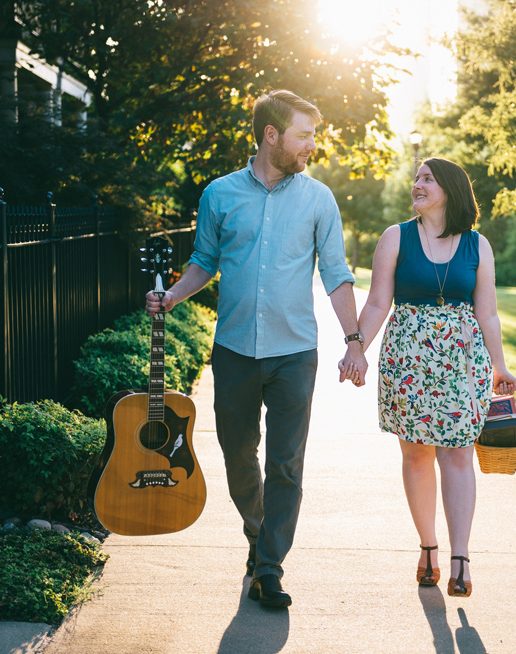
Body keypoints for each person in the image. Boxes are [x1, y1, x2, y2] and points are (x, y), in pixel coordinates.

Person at [146, 90, 368, 608]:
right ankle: (258, 533)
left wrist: (354, 340)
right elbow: (205, 259)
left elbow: (336, 275)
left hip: (295, 352)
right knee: (238, 454)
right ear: (272, 136)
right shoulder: (220, 195)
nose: (312, 146)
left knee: (287, 463)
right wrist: (173, 295)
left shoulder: (319, 200)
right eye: (304, 135)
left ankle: (270, 566)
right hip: (235, 349)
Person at [340, 157, 516, 597]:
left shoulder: (478, 245)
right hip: (408, 363)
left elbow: (487, 312)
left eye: (427, 179)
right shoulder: (395, 237)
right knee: (417, 455)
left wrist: (500, 365)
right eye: (416, 178)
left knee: (457, 455)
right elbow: (379, 302)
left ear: (451, 190)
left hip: (461, 363)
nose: (416, 185)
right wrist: (357, 347)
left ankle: (461, 558)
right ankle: (428, 547)